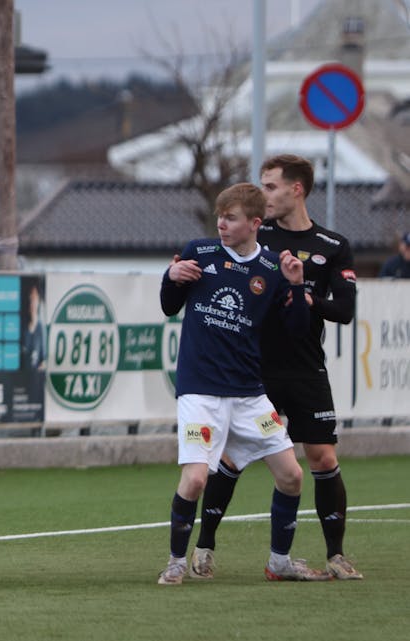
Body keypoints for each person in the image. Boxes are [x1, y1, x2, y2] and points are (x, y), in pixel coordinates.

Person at [191, 154, 363, 581]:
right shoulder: (256, 235)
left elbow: (343, 308)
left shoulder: (332, 245)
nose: (263, 194)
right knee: (231, 457)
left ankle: (336, 555)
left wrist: (305, 296)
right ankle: (205, 547)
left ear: (296, 189)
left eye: (270, 187)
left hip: (306, 369)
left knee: (321, 456)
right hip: (256, 370)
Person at [157, 182, 326, 585]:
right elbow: (168, 306)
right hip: (200, 390)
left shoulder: (272, 267)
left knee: (292, 476)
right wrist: (171, 276)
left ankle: (279, 561)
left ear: (254, 223)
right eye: (219, 216)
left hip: (249, 395)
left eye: (230, 218)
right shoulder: (200, 251)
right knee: (196, 478)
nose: (221, 224)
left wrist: (297, 283)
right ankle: (177, 562)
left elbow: (297, 331)